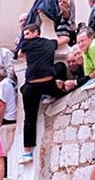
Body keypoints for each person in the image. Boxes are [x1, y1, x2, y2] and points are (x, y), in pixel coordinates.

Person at [17, 22, 63, 163]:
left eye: (28, 33)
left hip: (32, 86)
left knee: (29, 117)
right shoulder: (50, 43)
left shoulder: (25, 44)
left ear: (36, 32)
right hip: (49, 83)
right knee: (60, 66)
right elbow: (63, 40)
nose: (26, 36)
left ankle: (27, 152)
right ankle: (49, 95)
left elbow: (19, 55)